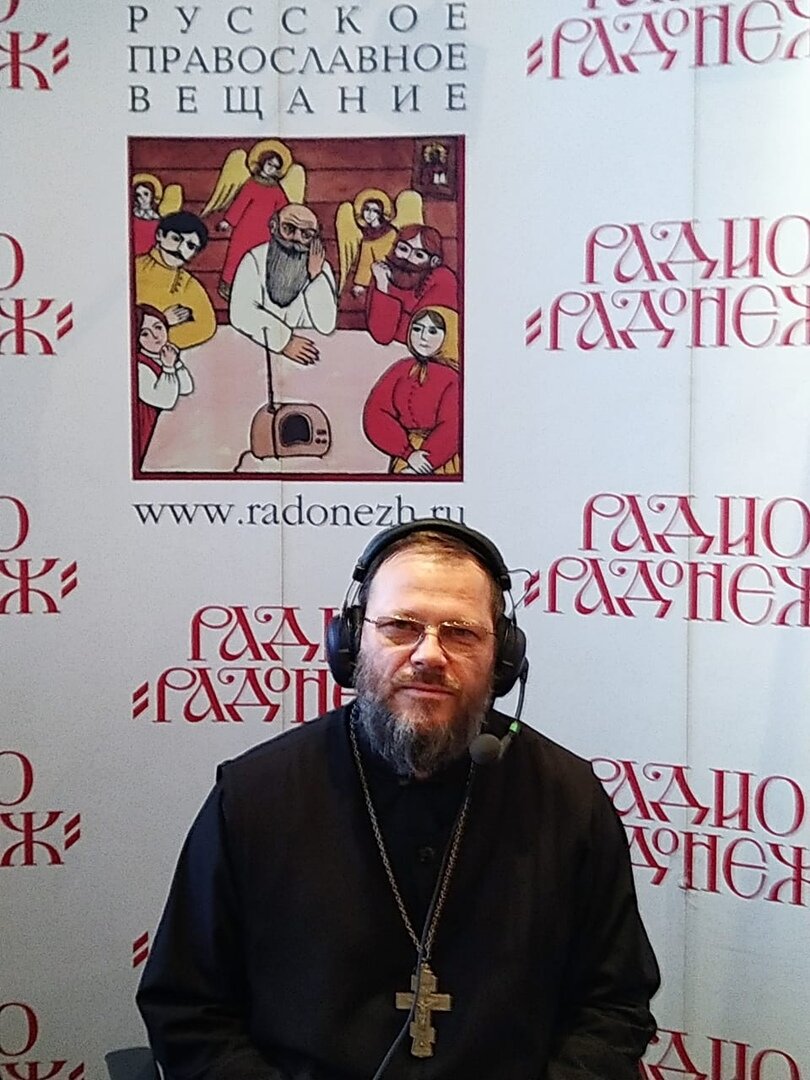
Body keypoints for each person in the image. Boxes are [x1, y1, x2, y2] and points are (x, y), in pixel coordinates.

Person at [137, 520, 660, 1080]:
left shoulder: (569, 799)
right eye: (400, 627)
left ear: (503, 659)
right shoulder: (254, 796)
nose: (429, 655)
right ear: (350, 643)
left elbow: (613, 1007)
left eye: (461, 633)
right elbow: (189, 1010)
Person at [229, 203, 337, 367]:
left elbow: (326, 326)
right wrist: (285, 342)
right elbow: (241, 312)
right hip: (259, 350)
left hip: (310, 355)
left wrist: (316, 277)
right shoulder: (254, 259)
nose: (296, 239)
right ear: (274, 226)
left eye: (306, 234)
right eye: (288, 228)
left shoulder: (320, 267)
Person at [363, 306, 460, 475]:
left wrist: (428, 461)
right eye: (417, 329)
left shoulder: (453, 379)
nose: (423, 337)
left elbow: (452, 428)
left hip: (441, 462)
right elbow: (376, 412)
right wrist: (407, 453)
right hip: (405, 457)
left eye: (432, 331)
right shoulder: (402, 369)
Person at [134, 211, 217, 351]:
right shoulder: (134, 268)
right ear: (160, 235)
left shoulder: (188, 284)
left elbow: (206, 326)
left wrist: (160, 339)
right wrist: (163, 320)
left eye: (190, 246)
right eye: (176, 239)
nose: (180, 249)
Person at [366, 224, 458, 346]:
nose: (407, 258)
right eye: (403, 249)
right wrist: (382, 285)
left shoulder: (442, 278)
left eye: (419, 255)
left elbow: (418, 337)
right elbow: (381, 335)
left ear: (434, 262)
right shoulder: (383, 273)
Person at [134, 304, 194, 466]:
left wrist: (176, 363)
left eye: (158, 327)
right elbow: (166, 401)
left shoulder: (161, 355)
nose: (156, 336)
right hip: (144, 427)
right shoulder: (140, 366)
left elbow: (186, 388)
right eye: (145, 333)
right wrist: (168, 368)